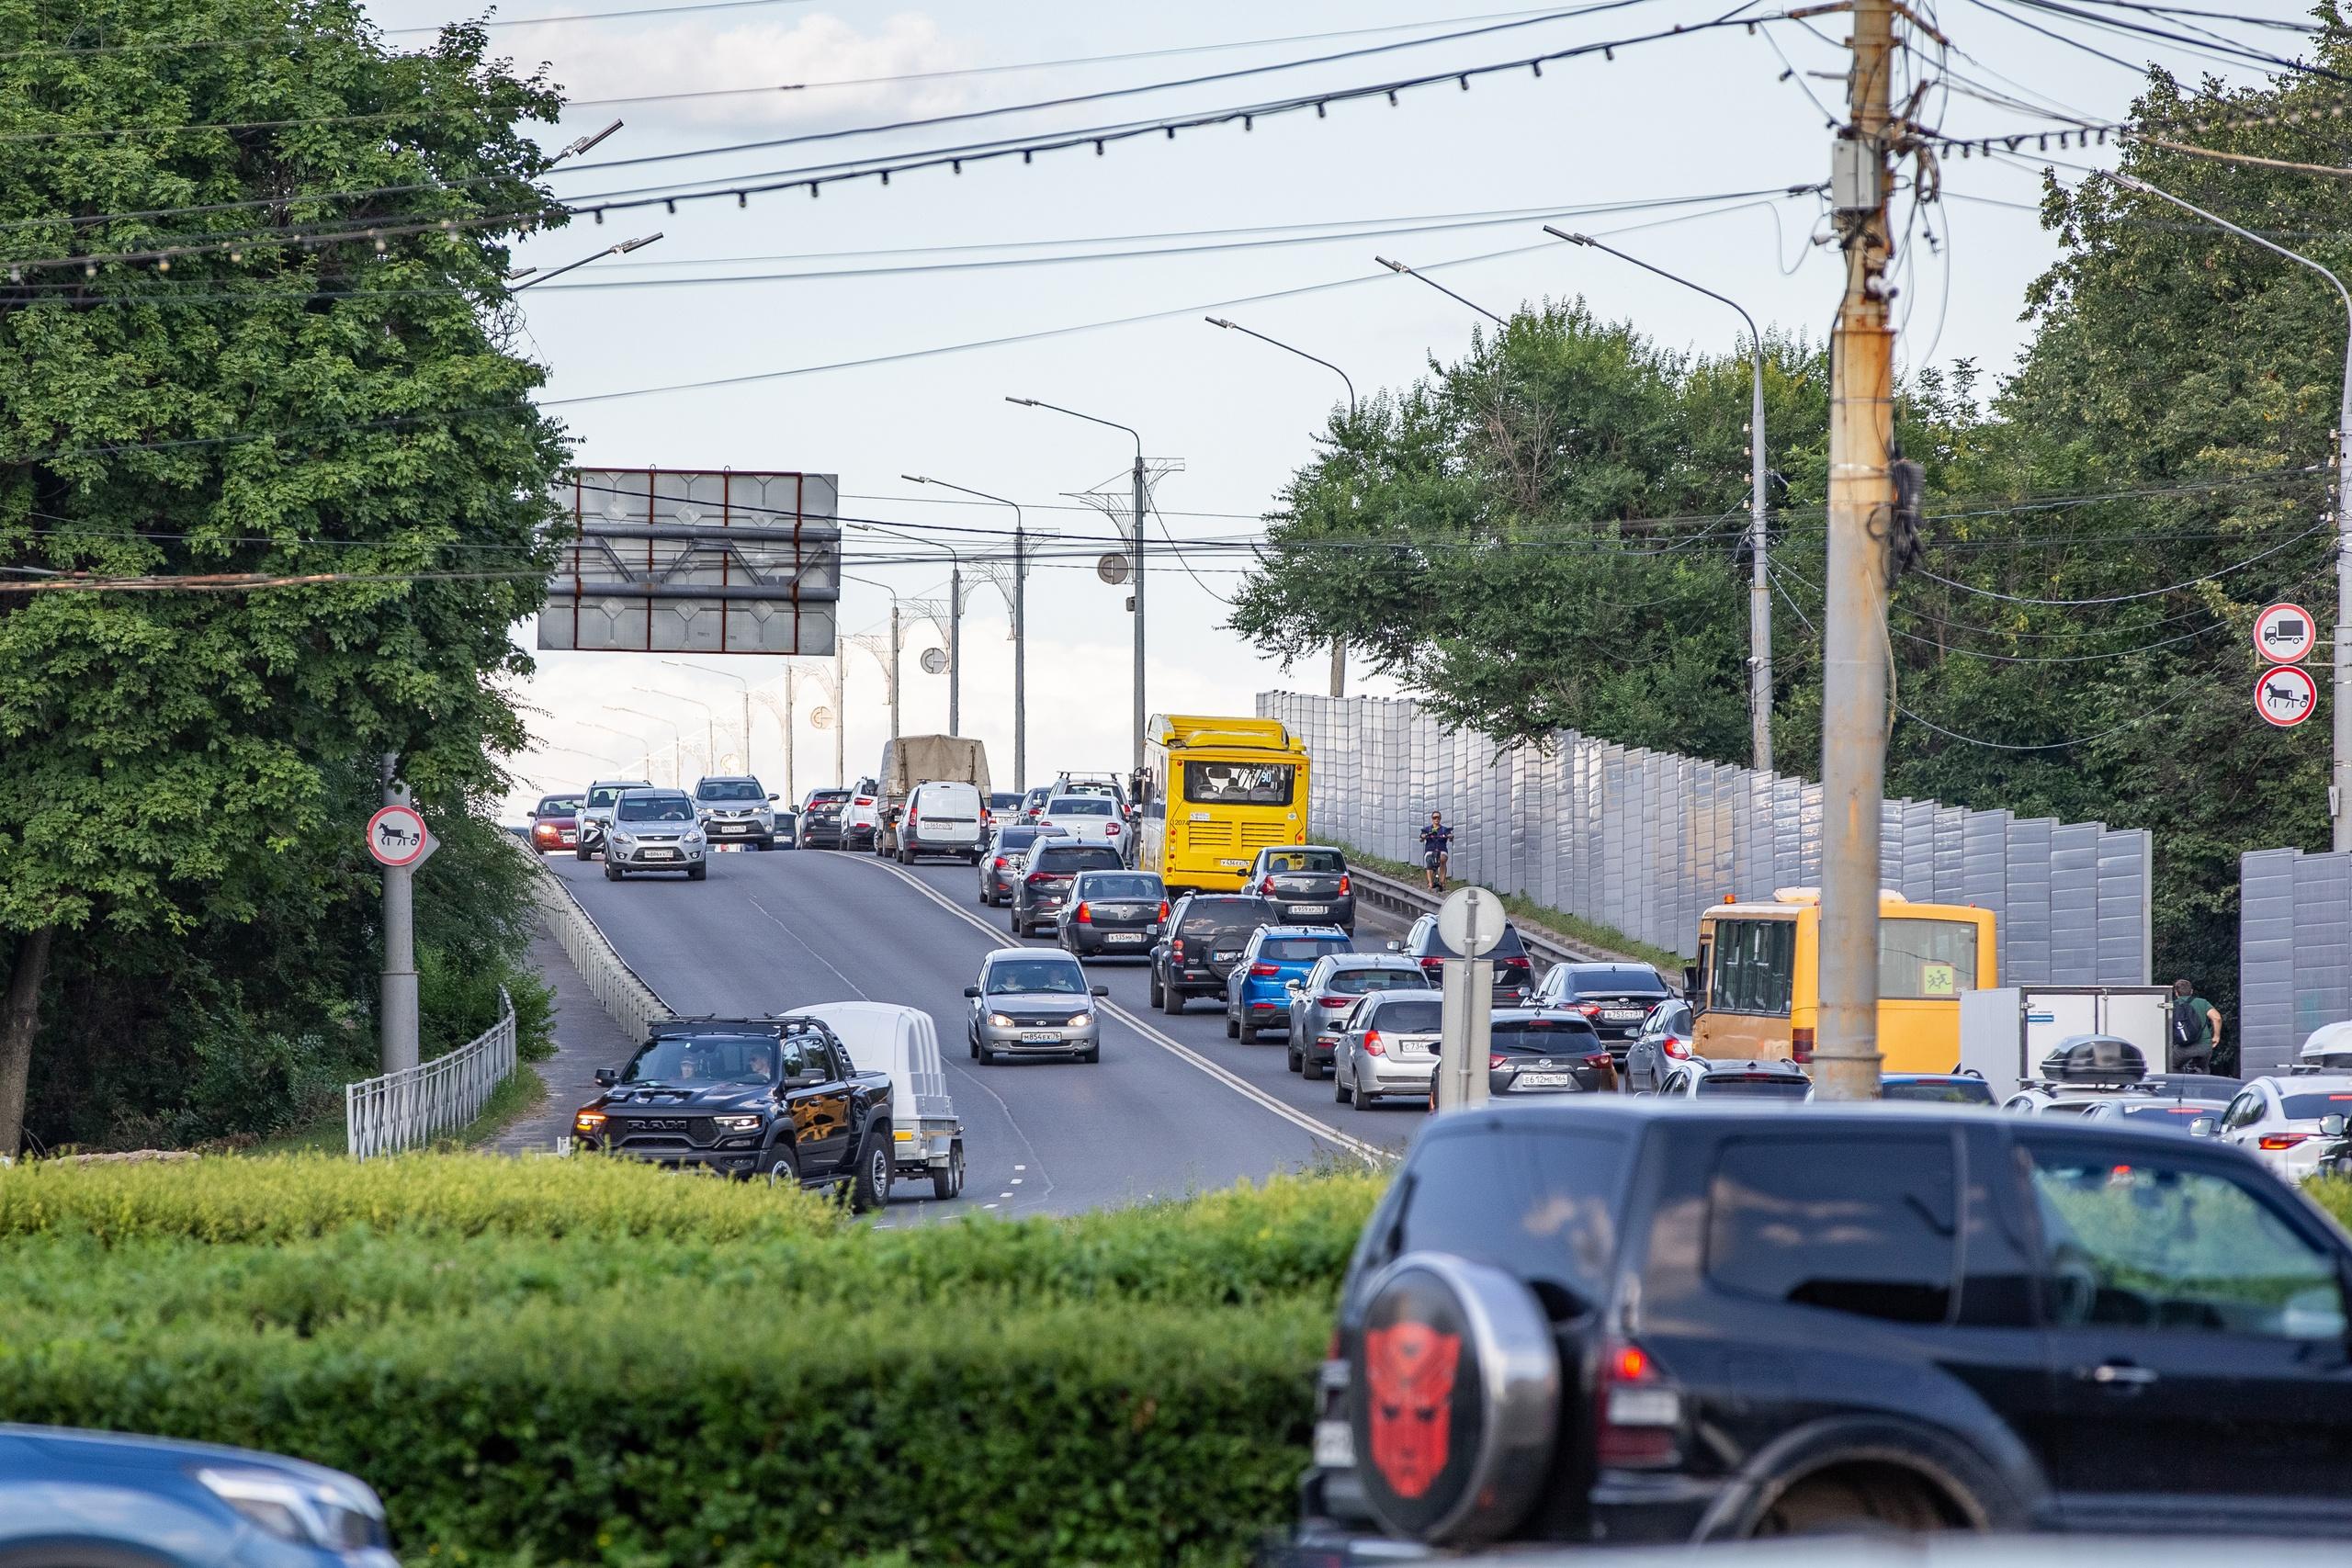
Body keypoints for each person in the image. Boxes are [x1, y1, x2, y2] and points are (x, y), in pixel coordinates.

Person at [2169, 977, 2223, 1075]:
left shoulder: (2172, 1005)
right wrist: (2216, 1036)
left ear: (2176, 993)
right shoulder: (2202, 1002)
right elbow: (2217, 1018)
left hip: (2183, 1049)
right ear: (2191, 991)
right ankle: (2204, 1086)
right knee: (2204, 1067)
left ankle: (2182, 1084)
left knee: (2172, 1066)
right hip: (2204, 1047)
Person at [1419, 811, 1453, 893]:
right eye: (1434, 817)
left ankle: (1442, 882)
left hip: (1441, 850)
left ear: (1440, 819)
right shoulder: (1427, 829)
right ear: (1432, 819)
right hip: (1430, 850)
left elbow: (1450, 837)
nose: (1436, 819)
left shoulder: (1445, 829)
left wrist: (1450, 836)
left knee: (1443, 859)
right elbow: (1421, 838)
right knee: (1429, 861)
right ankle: (1430, 883)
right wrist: (1423, 836)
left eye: (1438, 817)